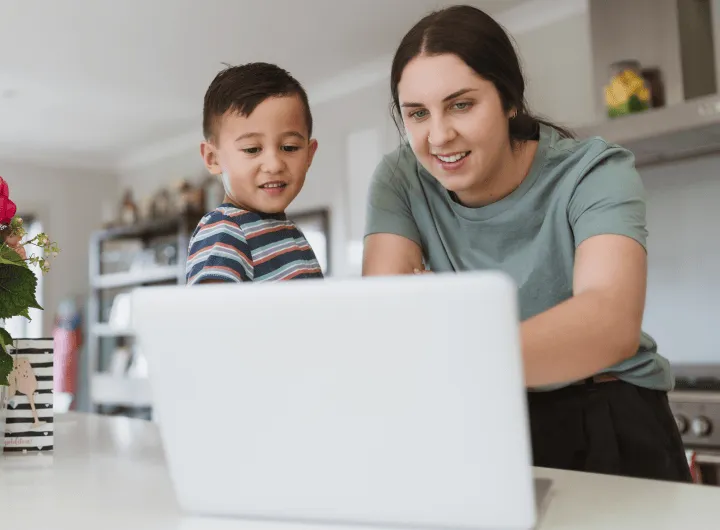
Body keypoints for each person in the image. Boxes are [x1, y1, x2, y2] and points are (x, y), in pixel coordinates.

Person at [362, 5, 691, 482]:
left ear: (510, 100)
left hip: (609, 411)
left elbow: (608, 320)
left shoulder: (594, 172)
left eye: (461, 104)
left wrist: (448, 343)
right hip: (484, 416)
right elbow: (388, 319)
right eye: (417, 113)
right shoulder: (400, 178)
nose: (438, 135)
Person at [186, 63, 323, 285]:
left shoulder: (289, 232)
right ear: (213, 158)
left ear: (309, 154)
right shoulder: (224, 230)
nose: (274, 165)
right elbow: (209, 316)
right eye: (252, 149)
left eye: (289, 147)